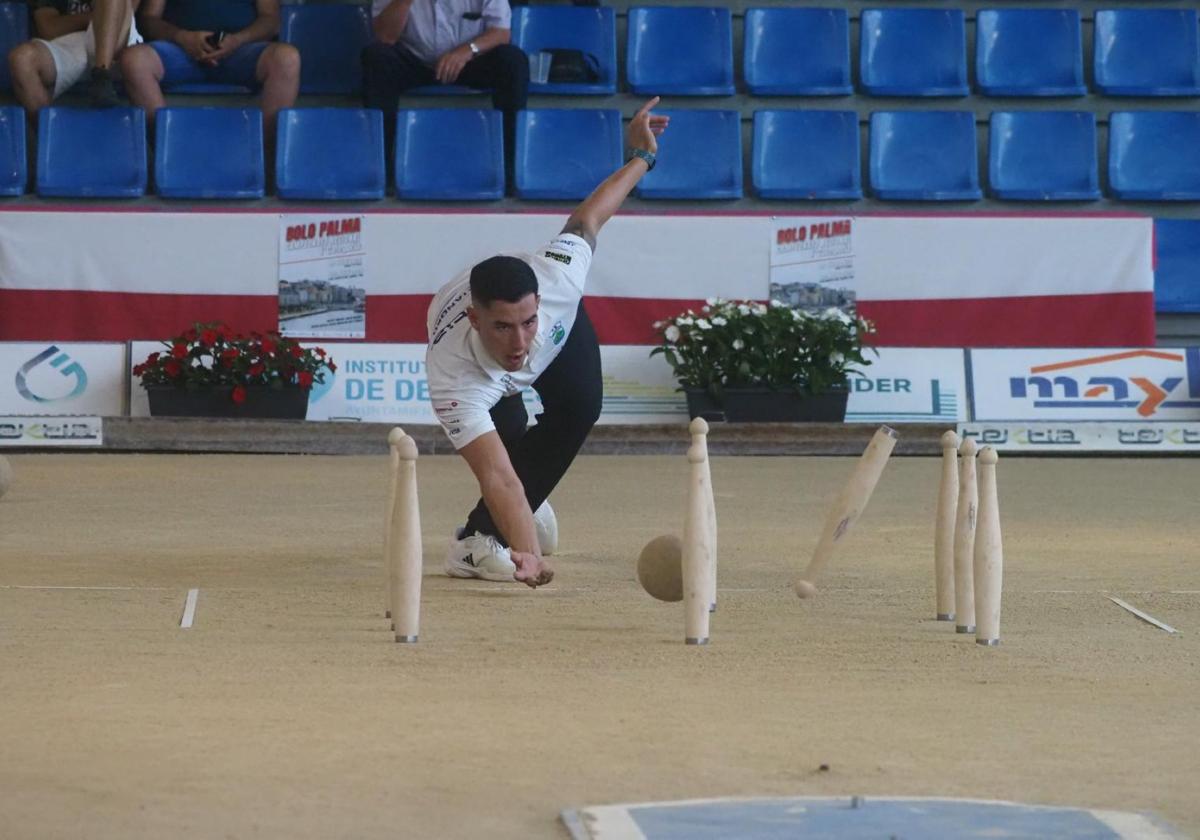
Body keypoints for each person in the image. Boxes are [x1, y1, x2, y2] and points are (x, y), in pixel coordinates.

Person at [426, 97, 668, 588]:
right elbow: (497, 476)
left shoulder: (557, 282)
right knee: (508, 444)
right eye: (503, 327)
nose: (520, 343)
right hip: (481, 373)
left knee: (581, 406)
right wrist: (529, 555)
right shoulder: (452, 373)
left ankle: (519, 514)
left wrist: (642, 158)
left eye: (526, 322)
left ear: (538, 304)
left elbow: (589, 219)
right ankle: (471, 545)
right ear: (475, 319)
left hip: (562, 330)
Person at [362, 0, 527, 184]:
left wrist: (466, 51)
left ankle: (510, 169)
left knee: (513, 61)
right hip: (415, 61)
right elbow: (385, 37)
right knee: (376, 58)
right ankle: (381, 170)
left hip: (468, 61)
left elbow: (501, 32)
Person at [119, 0, 298, 139]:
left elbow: (271, 19)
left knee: (286, 59)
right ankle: (167, 152)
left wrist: (237, 40)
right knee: (134, 60)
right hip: (180, 50)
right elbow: (149, 18)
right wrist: (182, 37)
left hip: (241, 50)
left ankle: (260, 158)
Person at [8, 0, 142, 112]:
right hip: (72, 43)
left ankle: (102, 76)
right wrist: (99, 17)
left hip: (118, 45)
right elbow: (49, 29)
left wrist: (105, 17)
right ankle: (53, 137)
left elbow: (124, 12)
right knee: (22, 60)